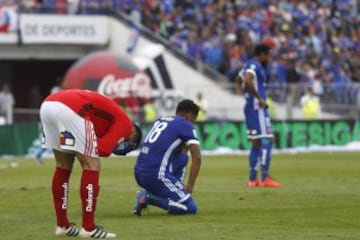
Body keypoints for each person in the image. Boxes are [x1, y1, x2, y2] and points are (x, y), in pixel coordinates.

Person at [39, 89, 142, 238]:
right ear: (133, 134)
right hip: (73, 108)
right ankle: (88, 228)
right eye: (129, 143)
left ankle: (62, 225)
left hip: (48, 105)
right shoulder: (128, 126)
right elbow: (103, 149)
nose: (124, 146)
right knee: (92, 165)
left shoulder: (108, 120)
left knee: (63, 165)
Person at [132, 99, 201, 216]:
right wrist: (190, 186)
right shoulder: (186, 124)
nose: (192, 123)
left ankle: (170, 189)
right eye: (193, 120)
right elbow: (197, 157)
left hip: (139, 172)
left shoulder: (161, 120)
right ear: (190, 115)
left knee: (182, 152)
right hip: (156, 175)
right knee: (190, 208)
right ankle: (148, 197)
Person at [235, 44, 281, 188]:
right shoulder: (255, 66)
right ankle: (265, 178)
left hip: (250, 108)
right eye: (267, 55)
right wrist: (258, 98)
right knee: (268, 138)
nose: (268, 58)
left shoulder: (246, 65)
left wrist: (245, 95)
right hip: (258, 109)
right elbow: (247, 80)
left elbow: (238, 80)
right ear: (261, 54)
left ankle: (253, 180)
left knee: (256, 143)